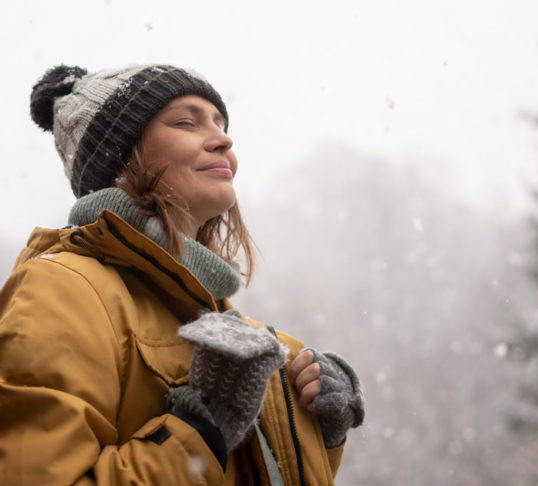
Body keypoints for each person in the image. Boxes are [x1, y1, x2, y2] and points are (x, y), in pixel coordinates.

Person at [0, 64, 364, 485]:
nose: (224, 139)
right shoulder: (62, 290)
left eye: (221, 124)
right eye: (186, 122)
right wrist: (199, 427)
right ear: (121, 157)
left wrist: (314, 427)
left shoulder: (247, 335)